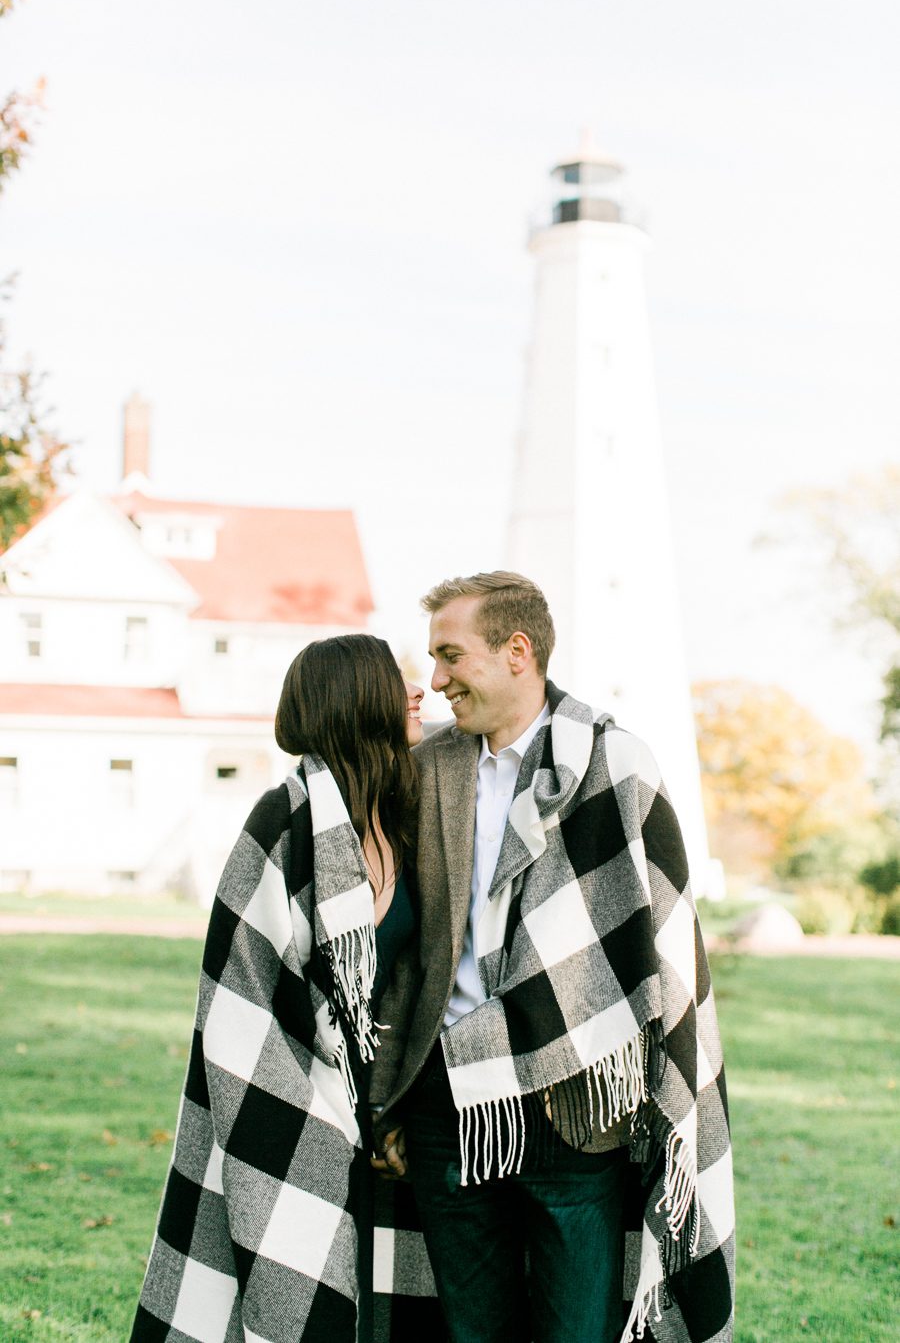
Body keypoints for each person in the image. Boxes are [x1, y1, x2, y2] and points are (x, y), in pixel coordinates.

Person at [373, 572, 735, 1343]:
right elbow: (405, 949)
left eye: (449, 656)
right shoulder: (428, 768)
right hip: (448, 1095)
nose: (434, 681)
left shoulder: (615, 766)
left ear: (516, 651)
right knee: (469, 1330)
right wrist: (392, 1094)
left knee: (576, 1330)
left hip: (575, 1096)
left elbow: (659, 938)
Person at [132, 634, 441, 1343]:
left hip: (386, 1101)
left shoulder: (402, 817)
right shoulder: (282, 821)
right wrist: (324, 1110)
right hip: (289, 1096)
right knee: (298, 1291)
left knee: (389, 1300)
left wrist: (391, 1103)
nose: (419, 688)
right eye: (399, 681)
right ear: (358, 698)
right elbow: (240, 988)